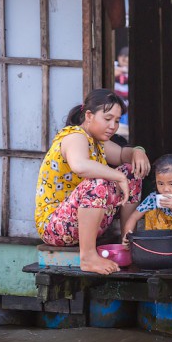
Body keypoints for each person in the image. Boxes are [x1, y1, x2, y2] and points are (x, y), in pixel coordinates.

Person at [34, 88, 150, 274]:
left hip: (83, 225)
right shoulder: (74, 136)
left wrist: (138, 151)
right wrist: (117, 176)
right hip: (56, 226)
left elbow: (122, 154)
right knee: (97, 182)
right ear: (89, 115)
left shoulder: (97, 142)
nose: (113, 126)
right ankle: (87, 257)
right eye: (107, 118)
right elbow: (80, 165)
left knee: (131, 171)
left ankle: (127, 242)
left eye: (117, 121)